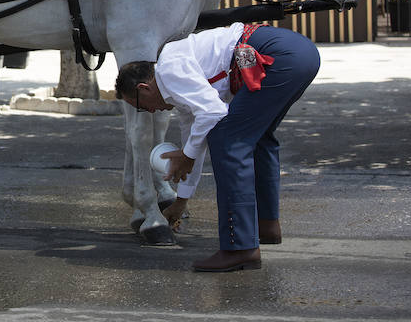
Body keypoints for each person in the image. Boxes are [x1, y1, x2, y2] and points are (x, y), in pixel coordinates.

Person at [115, 22, 320, 272]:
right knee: (257, 137)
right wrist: (181, 201)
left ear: (143, 88)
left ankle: (240, 248)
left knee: (228, 140)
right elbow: (196, 140)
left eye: (139, 106)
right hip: (301, 53)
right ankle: (266, 226)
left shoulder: (169, 70)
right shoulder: (180, 87)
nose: (148, 112)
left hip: (281, 55)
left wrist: (186, 156)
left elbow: (213, 114)